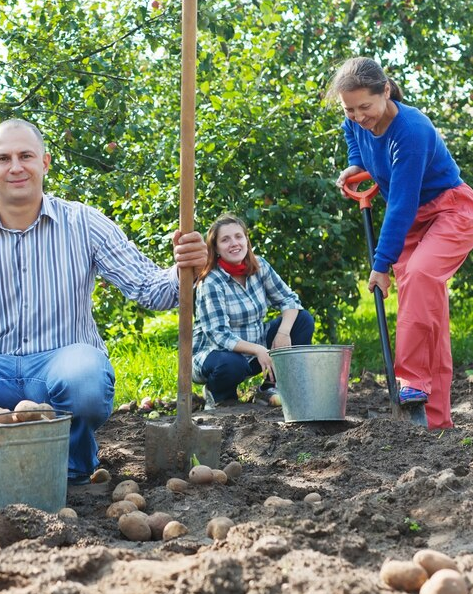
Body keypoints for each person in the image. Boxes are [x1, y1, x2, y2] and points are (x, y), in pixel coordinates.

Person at [0, 118, 208, 485]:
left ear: (45, 163)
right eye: (3, 159)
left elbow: (149, 288)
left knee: (85, 382)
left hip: (63, 364)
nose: (15, 167)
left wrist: (185, 269)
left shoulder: (84, 223)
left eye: (26, 156)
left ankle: (73, 462)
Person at [330, 56, 473, 429]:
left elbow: (402, 204)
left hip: (449, 212)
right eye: (350, 108)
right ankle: (437, 421)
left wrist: (380, 266)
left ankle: (410, 379)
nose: (359, 116)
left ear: (386, 91)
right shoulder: (356, 118)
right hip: (412, 224)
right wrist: (355, 161)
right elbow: (352, 133)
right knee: (432, 319)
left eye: (365, 107)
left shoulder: (411, 130)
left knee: (421, 275)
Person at [192, 214, 315, 409]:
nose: (234, 243)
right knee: (232, 364)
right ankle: (218, 395)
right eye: (225, 240)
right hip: (217, 354)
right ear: (215, 248)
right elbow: (219, 335)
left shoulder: (259, 266)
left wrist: (283, 333)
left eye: (238, 237)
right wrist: (258, 349)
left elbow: (289, 300)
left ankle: (271, 387)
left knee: (302, 320)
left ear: (246, 240)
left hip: (257, 347)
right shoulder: (211, 282)